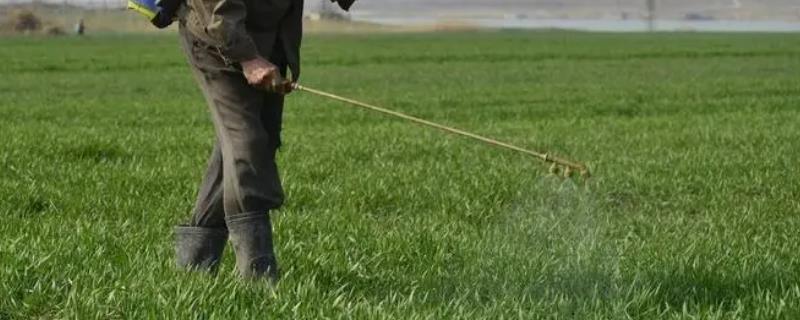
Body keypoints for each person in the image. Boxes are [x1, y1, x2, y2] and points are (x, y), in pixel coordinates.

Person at [164, 0, 355, 281]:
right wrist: (246, 56)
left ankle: (194, 267)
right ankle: (258, 281)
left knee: (254, 144)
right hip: (217, 39)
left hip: (267, 42)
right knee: (247, 144)